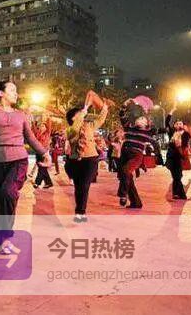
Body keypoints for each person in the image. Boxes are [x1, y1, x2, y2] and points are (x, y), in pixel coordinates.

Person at [0, 82, 51, 250]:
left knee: (7, 192)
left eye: (16, 90)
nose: (16, 93)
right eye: (12, 90)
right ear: (1, 93)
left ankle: (6, 237)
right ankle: (0, 240)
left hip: (18, 160)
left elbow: (30, 137)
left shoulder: (20, 115)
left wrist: (44, 153)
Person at [65, 91, 109, 222]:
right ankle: (80, 211)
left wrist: (104, 108)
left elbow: (100, 120)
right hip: (75, 161)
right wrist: (84, 110)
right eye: (78, 114)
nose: (82, 115)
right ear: (73, 118)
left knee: (84, 185)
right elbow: (76, 128)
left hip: (90, 160)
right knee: (78, 187)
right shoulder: (70, 130)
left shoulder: (89, 126)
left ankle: (80, 212)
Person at [117, 98, 155, 208]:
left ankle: (122, 195)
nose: (140, 119)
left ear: (146, 123)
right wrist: (124, 105)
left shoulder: (147, 132)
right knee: (125, 176)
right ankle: (136, 202)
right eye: (139, 118)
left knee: (126, 171)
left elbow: (154, 125)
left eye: (143, 119)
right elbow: (122, 116)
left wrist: (147, 112)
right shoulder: (129, 127)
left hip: (136, 155)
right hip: (125, 154)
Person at [165, 105, 191, 199]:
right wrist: (171, 111)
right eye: (177, 123)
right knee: (176, 176)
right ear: (174, 125)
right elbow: (167, 122)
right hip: (171, 156)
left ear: (183, 125)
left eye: (180, 123)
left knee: (178, 176)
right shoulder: (171, 132)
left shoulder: (186, 134)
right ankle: (180, 194)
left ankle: (177, 194)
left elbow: (186, 144)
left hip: (180, 157)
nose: (179, 125)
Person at [32, 114, 54, 189]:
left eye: (43, 126)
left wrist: (48, 118)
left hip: (44, 153)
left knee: (41, 168)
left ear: (46, 128)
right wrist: (33, 121)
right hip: (38, 152)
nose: (41, 127)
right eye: (41, 126)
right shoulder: (37, 133)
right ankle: (49, 183)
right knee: (42, 168)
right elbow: (34, 128)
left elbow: (49, 126)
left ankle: (37, 183)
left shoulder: (47, 133)